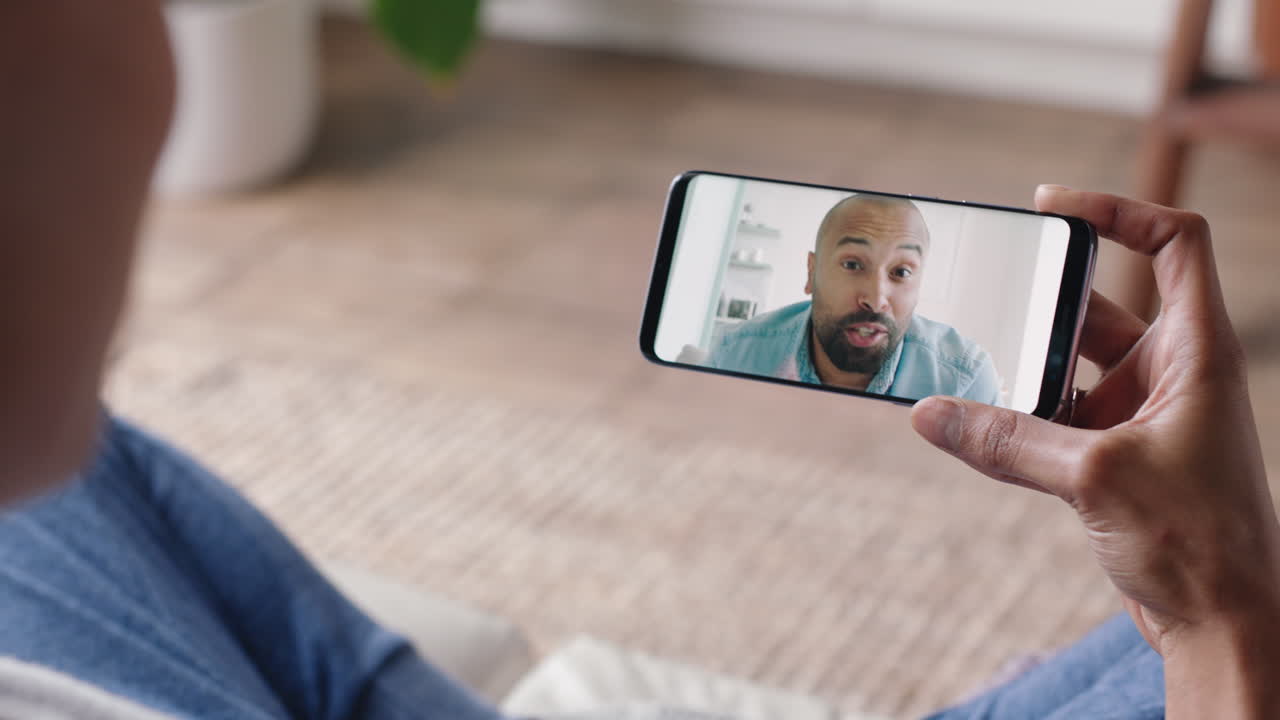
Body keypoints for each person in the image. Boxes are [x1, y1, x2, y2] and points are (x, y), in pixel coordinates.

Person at [4, 1, 1279, 718]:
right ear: (804, 275)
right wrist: (1211, 610)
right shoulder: (757, 336)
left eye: (899, 270)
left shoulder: (944, 347)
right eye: (851, 263)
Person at [706, 195, 1001, 404]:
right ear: (812, 272)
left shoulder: (965, 382)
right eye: (852, 265)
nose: (875, 300)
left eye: (901, 271)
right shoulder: (736, 353)